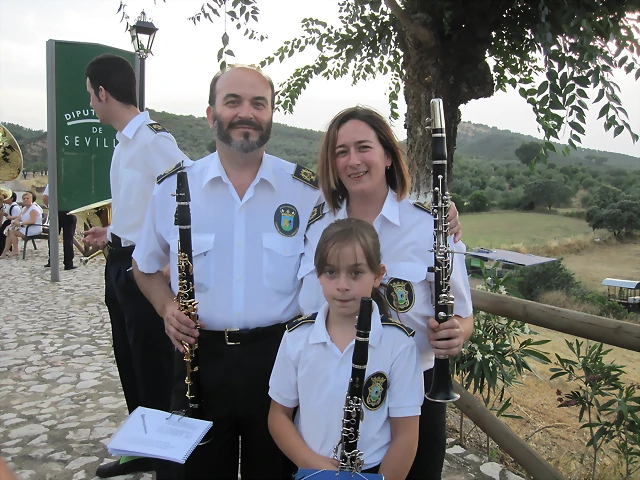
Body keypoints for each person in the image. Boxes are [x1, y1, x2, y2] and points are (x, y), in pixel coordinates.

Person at [132, 65, 462, 480]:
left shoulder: (306, 192)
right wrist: (165, 307)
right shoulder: (171, 189)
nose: (246, 113)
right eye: (232, 101)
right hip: (199, 360)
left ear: (271, 114)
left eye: (258, 103)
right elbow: (142, 268)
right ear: (211, 113)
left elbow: (369, 195)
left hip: (278, 360)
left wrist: (440, 213)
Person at [298, 106, 474, 480]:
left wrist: (457, 332)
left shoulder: (431, 225)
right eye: (341, 151)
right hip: (327, 387)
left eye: (364, 147)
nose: (353, 160)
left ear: (388, 155)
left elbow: (463, 314)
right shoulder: (315, 223)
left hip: (415, 391)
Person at [80, 53, 184, 479]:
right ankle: (143, 445)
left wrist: (168, 264)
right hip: (119, 260)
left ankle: (166, 456)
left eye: (91, 95)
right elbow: (140, 205)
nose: (90, 104)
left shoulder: (154, 140)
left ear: (105, 92)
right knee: (129, 356)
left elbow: (185, 198)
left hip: (144, 269)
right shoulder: (125, 141)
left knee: (153, 361)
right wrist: (113, 233)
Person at [269, 218, 424, 480]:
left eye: (355, 273)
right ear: (318, 275)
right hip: (309, 469)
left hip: (374, 471)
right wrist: (315, 465)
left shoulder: (399, 344)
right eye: (331, 272)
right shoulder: (297, 337)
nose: (342, 285)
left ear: (378, 275)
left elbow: (406, 435)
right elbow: (278, 416)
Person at [42, 184, 77, 270]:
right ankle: (68, 263)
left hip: (56, 211)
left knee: (53, 238)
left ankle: (52, 261)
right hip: (69, 211)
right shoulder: (72, 184)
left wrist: (50, 207)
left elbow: (45, 197)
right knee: (68, 239)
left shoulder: (53, 181)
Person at [1, 191, 42, 258]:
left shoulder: (33, 209)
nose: (25, 200)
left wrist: (20, 223)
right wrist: (14, 222)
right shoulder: (24, 208)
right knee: (9, 230)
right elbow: (18, 218)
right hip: (26, 227)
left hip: (33, 228)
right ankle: (4, 252)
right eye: (24, 198)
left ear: (32, 199)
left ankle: (16, 250)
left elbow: (33, 221)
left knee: (12, 232)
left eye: (27, 198)